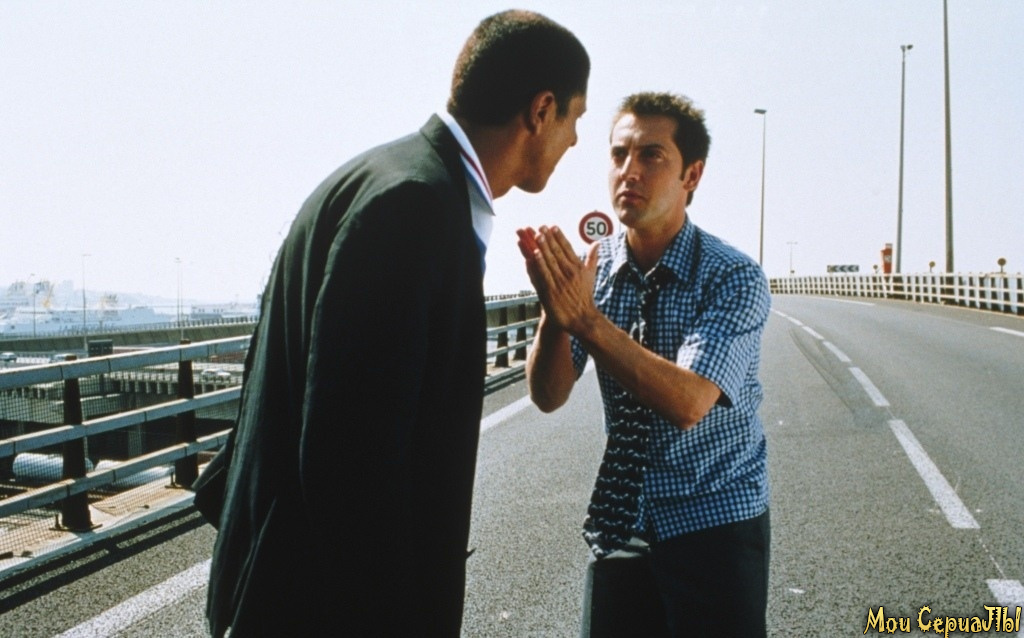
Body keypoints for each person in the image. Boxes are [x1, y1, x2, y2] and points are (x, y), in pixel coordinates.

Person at [192, 10, 589, 637]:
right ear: (541, 111)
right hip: (319, 613)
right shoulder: (418, 207)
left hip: (278, 587)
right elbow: (353, 468)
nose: (575, 140)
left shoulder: (378, 176)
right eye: (575, 118)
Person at [517, 92, 771, 637]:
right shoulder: (595, 271)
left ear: (691, 175)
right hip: (623, 519)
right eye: (619, 154)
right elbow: (549, 395)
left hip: (715, 521)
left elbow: (689, 401)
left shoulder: (732, 277)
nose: (629, 171)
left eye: (651, 155)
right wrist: (554, 314)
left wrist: (586, 320)